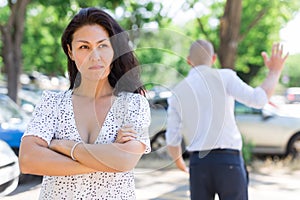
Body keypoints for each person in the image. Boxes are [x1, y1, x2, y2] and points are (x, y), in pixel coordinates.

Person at [19, 7, 151, 200]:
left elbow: (125, 160)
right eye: (84, 47)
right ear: (70, 52)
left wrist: (64, 147)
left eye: (102, 45)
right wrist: (107, 159)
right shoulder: (52, 103)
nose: (95, 56)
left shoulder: (133, 104)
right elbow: (28, 160)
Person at [166, 39, 288, 200]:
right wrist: (274, 71)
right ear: (214, 58)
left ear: (189, 60)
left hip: (198, 163)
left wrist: (179, 162)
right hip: (228, 160)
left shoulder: (178, 91)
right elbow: (259, 99)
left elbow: (172, 137)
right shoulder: (225, 77)